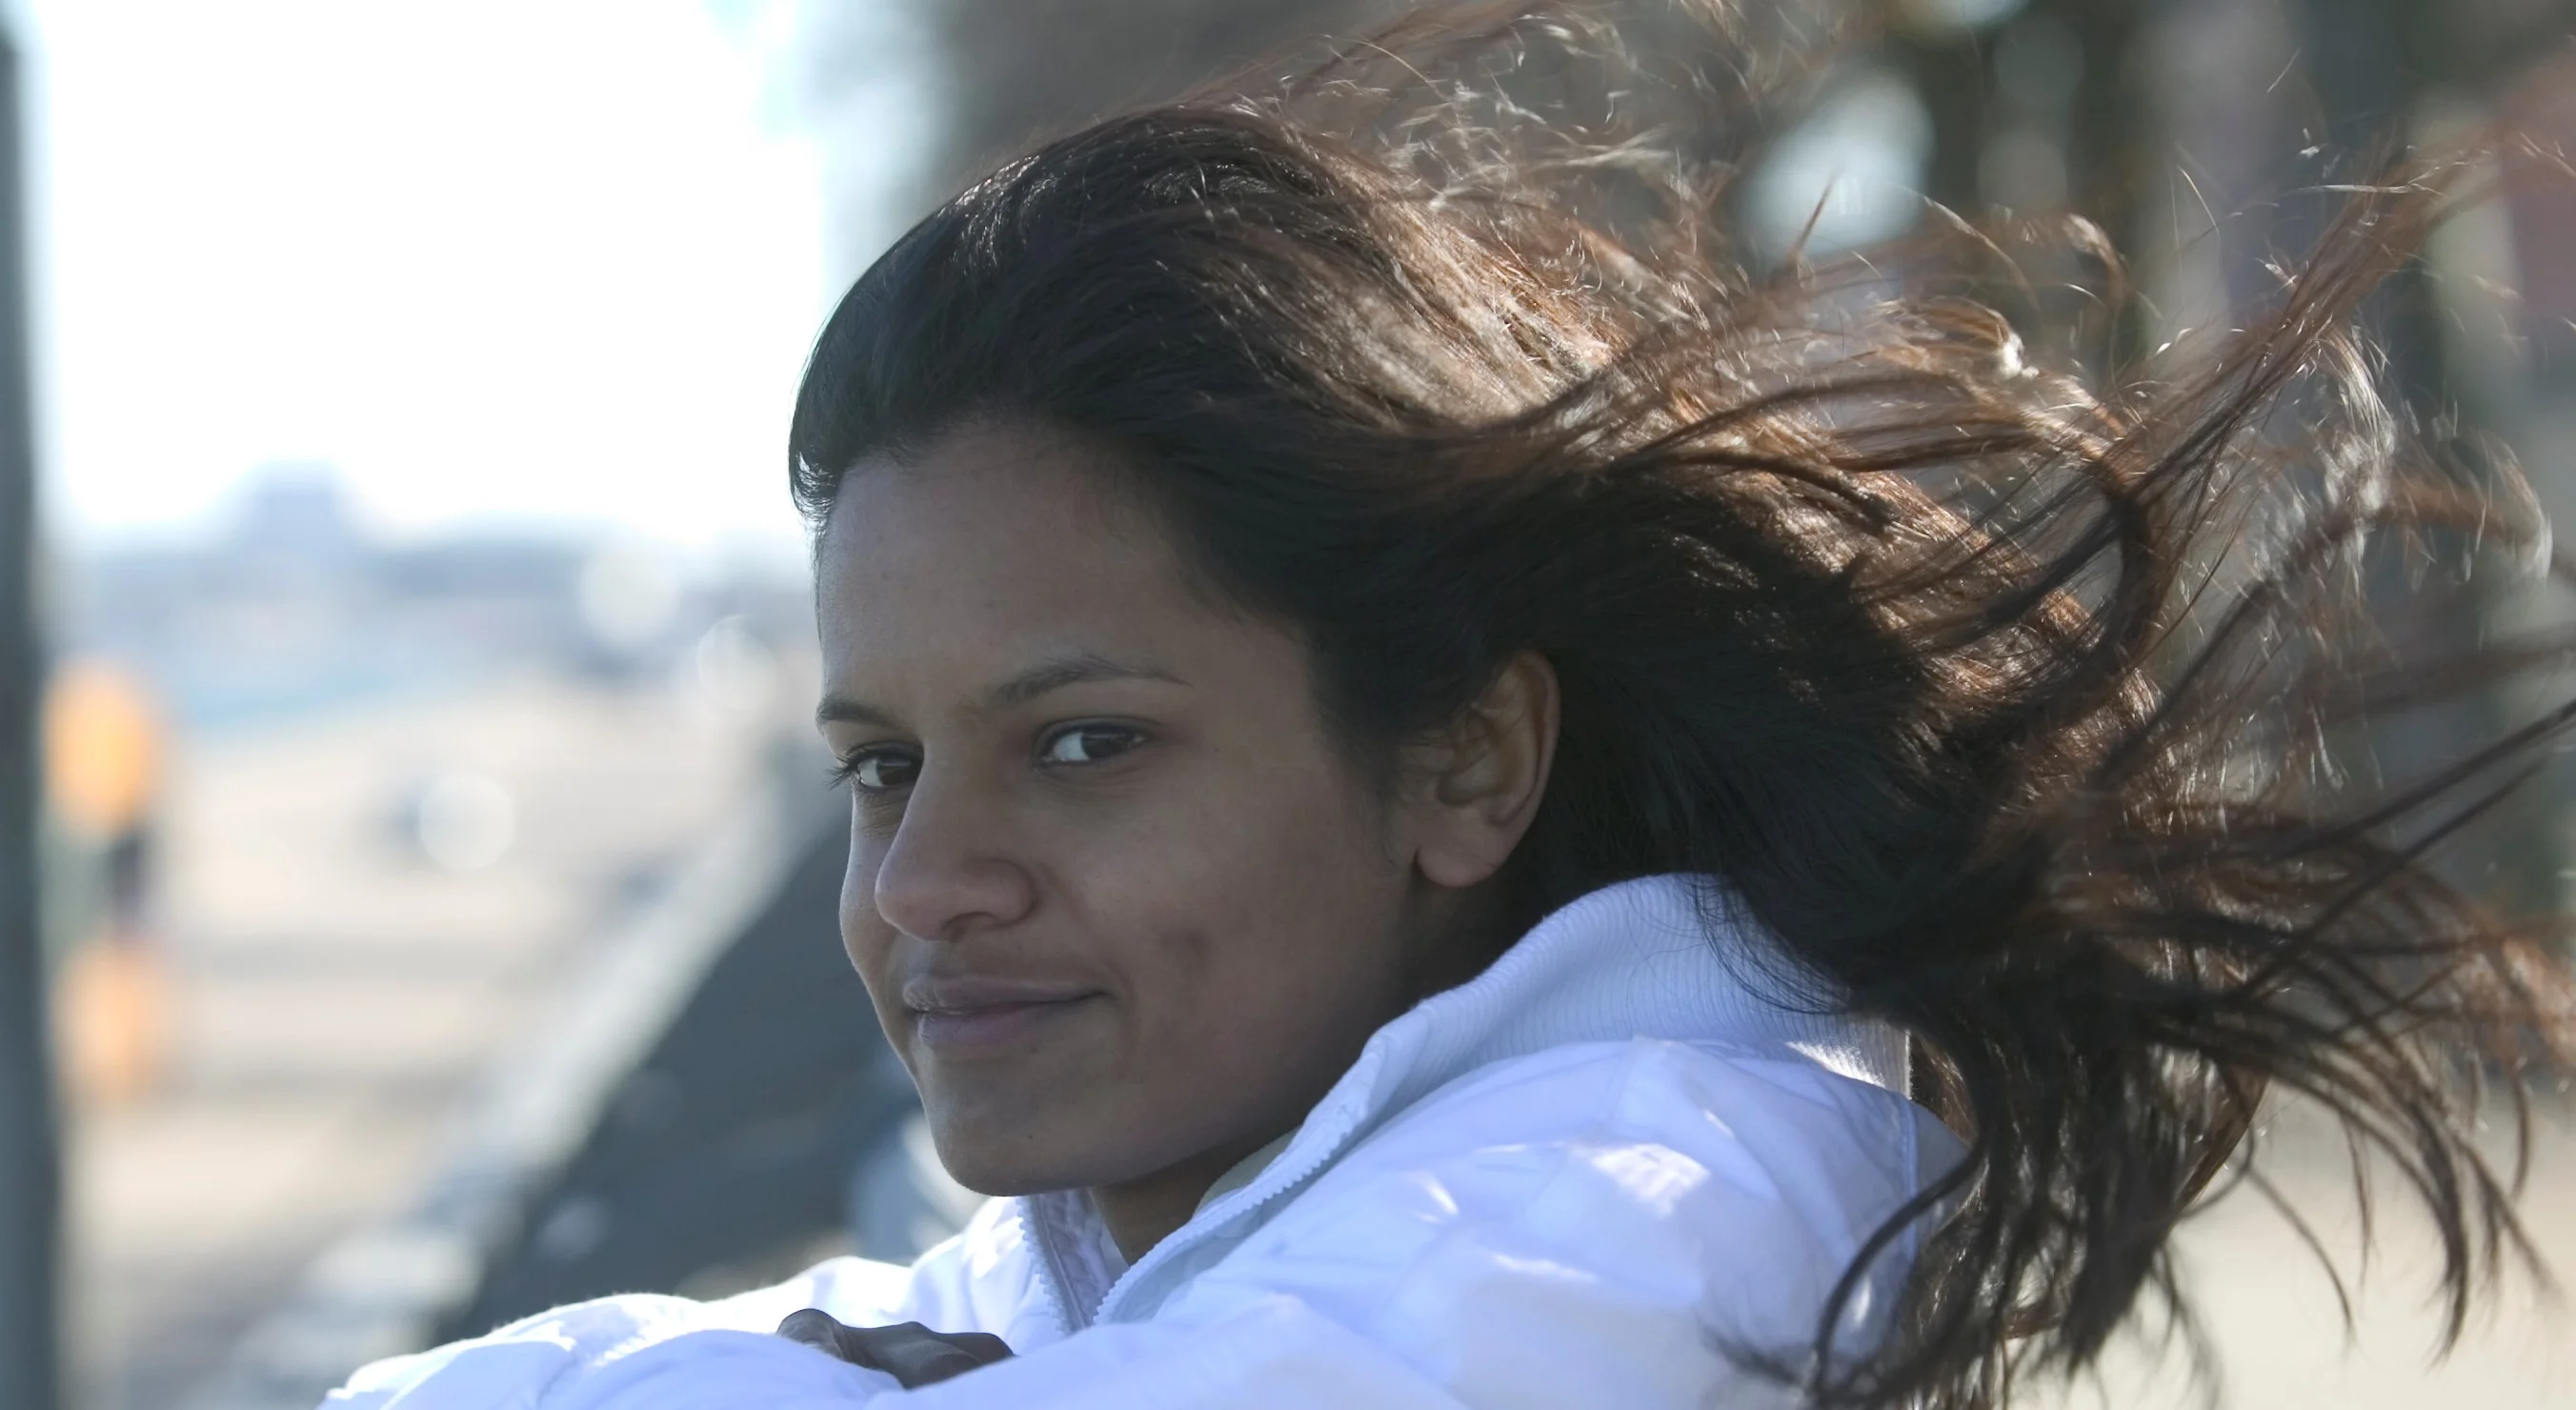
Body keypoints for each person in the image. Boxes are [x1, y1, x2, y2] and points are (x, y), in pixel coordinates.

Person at [323, 7, 2576, 1407]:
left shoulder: (1661, 1189)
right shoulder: (1210, 1202)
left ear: (1463, 760)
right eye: (877, 765)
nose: (927, 882)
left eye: (1085, 738)